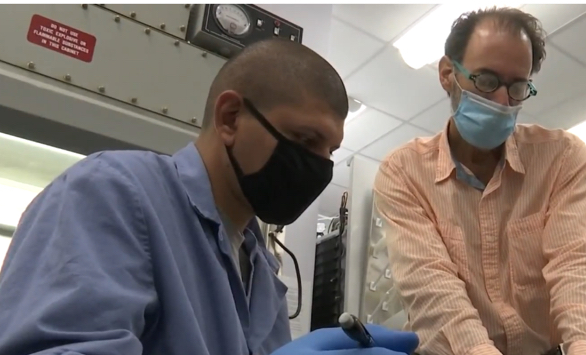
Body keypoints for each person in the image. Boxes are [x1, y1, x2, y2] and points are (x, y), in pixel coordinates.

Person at [0, 39, 418, 355]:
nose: (319, 167)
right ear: (230, 118)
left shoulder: (262, 275)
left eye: (330, 152)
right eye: (304, 139)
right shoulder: (112, 192)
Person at [372, 7, 586, 355]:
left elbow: (577, 264)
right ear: (448, 74)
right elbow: (433, 286)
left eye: (517, 87)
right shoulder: (404, 172)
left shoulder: (562, 157)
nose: (503, 102)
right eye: (486, 81)